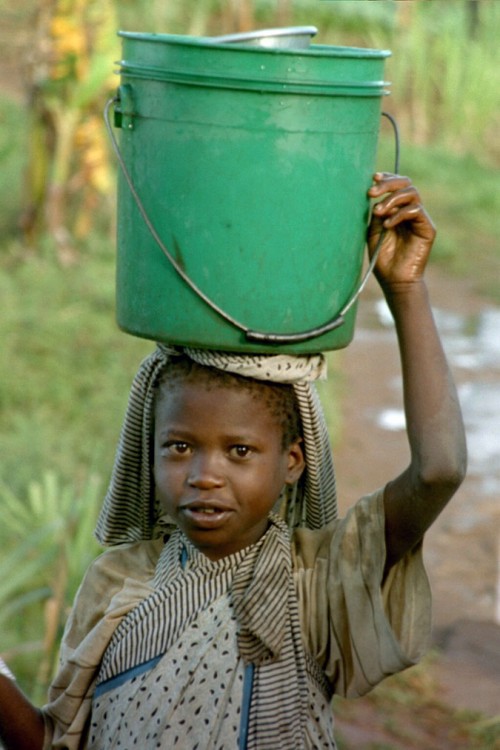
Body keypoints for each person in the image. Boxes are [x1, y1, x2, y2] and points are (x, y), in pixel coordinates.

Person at [0, 173, 467, 749]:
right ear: (149, 452)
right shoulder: (118, 580)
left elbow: (438, 470)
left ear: (292, 460)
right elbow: (53, 741)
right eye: (179, 447)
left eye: (240, 451)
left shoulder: (317, 581)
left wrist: (406, 288)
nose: (204, 475)